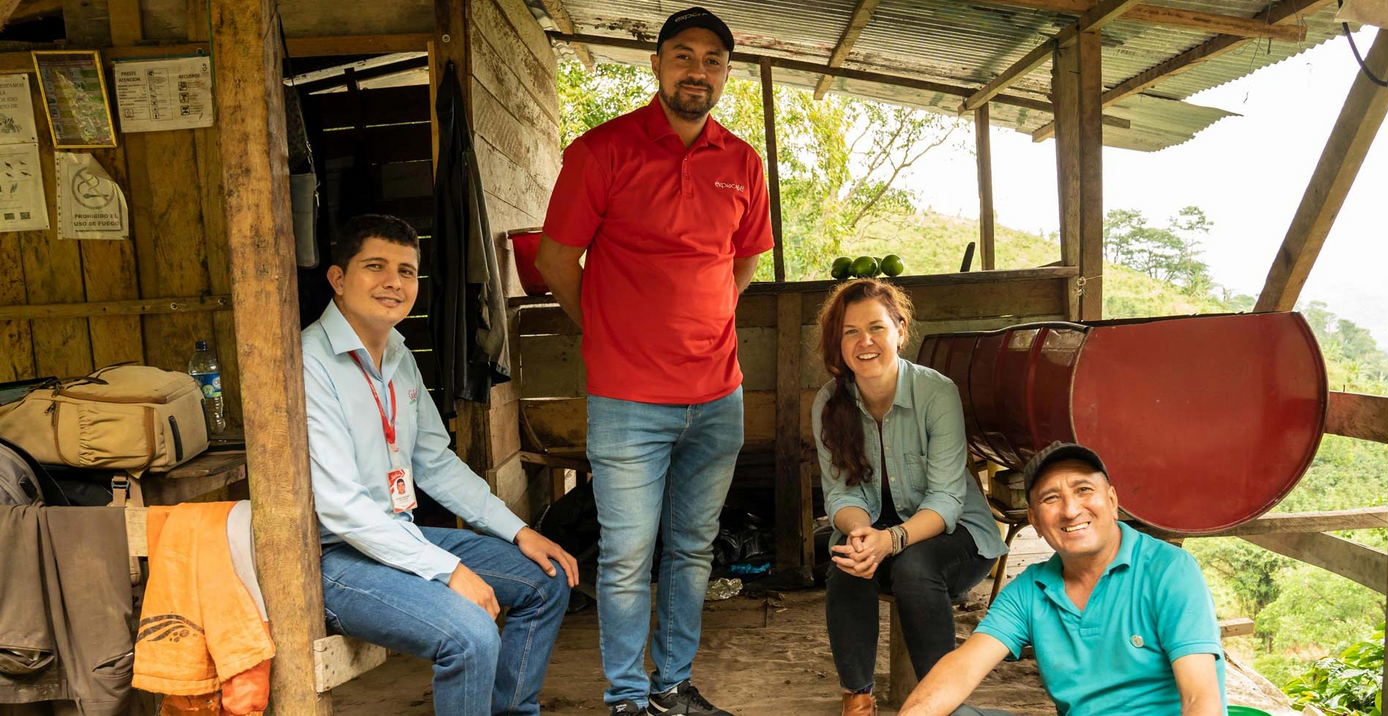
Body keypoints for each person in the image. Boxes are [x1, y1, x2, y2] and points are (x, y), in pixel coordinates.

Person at [534, 6, 773, 715]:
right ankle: (626, 699)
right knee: (628, 556)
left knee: (693, 550)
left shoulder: (741, 162)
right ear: (658, 65)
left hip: (716, 395)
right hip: (628, 398)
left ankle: (671, 687)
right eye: (683, 55)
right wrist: (607, 330)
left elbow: (748, 259)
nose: (697, 71)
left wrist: (702, 326)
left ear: (725, 73)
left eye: (713, 60)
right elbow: (554, 260)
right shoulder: (601, 151)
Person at [304, 215, 579, 716]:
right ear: (338, 279)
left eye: (407, 271)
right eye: (375, 266)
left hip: (400, 537)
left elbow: (435, 464)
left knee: (548, 576)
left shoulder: (399, 357)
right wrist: (449, 570)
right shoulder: (309, 363)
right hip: (334, 559)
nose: (394, 282)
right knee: (471, 633)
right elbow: (341, 508)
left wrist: (519, 531)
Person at [898, 442, 1227, 716]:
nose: (1070, 510)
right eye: (1050, 498)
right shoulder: (1030, 589)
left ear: (1112, 502)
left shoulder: (1169, 570)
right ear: (1035, 521)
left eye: (1084, 489)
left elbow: (1201, 700)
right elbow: (962, 668)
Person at [810, 279, 1006, 716]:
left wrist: (891, 540)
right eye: (850, 331)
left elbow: (946, 501)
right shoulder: (829, 401)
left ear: (900, 330)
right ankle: (857, 699)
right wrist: (861, 532)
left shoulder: (936, 393)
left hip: (957, 539)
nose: (865, 342)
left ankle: (941, 704)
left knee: (916, 567)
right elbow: (840, 492)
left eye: (877, 327)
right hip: (880, 536)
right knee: (845, 558)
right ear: (837, 342)